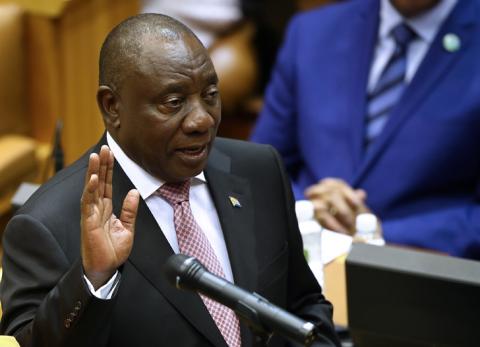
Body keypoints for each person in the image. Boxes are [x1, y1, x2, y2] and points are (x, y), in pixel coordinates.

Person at [0, 14, 340, 347]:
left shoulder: (258, 169)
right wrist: (92, 280)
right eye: (173, 102)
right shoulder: (45, 225)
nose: (202, 120)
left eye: (210, 94)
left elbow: (304, 305)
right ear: (112, 106)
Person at [250, 0, 480, 259]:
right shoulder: (312, 31)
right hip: (303, 262)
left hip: (427, 271)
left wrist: (377, 232)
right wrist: (308, 209)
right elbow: (259, 168)